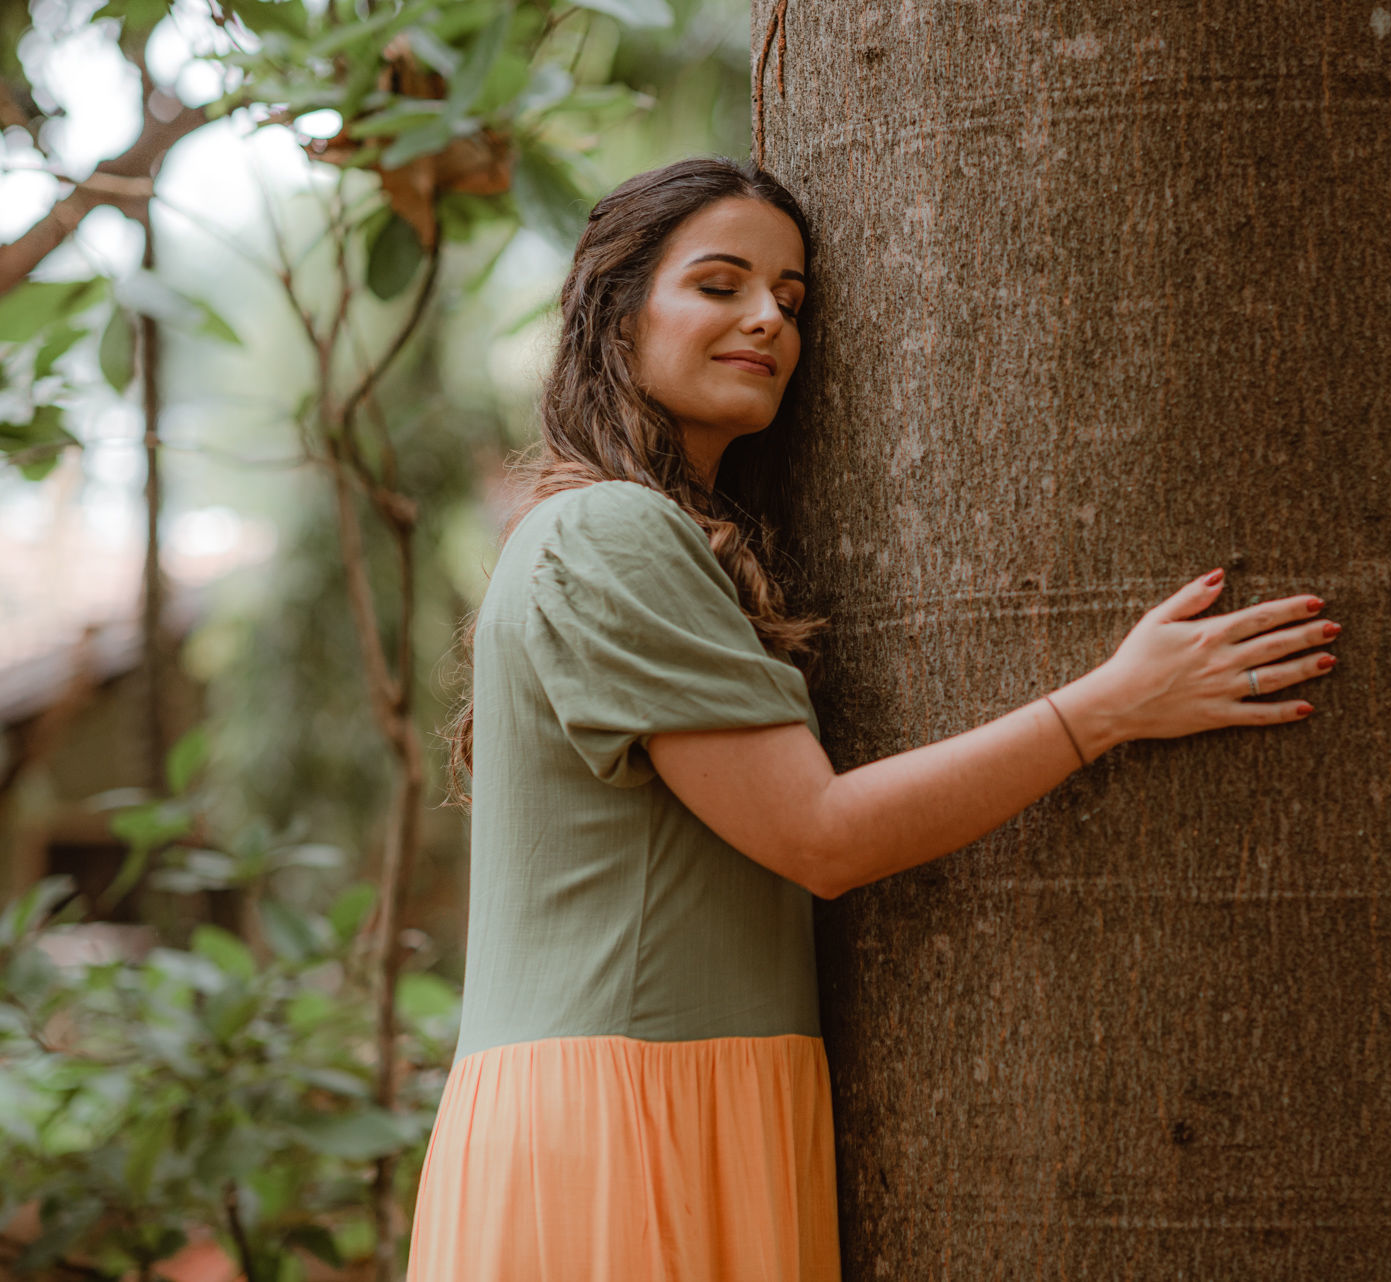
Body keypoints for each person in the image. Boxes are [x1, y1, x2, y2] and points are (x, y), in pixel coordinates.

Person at [406, 154, 1341, 1280]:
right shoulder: (610, 534)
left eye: (791, 301)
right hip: (634, 1124)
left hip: (663, 1099)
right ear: (616, 313)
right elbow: (821, 835)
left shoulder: (600, 533)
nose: (766, 320)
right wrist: (1109, 704)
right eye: (719, 285)